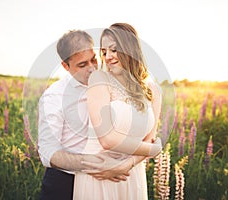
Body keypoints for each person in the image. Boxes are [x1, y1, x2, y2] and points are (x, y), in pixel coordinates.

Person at [38, 29, 150, 200]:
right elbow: (48, 151)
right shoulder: (54, 97)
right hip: (66, 183)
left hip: (114, 181)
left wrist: (125, 163)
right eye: (82, 65)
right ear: (65, 66)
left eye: (94, 59)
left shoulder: (113, 82)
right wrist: (96, 165)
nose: (91, 69)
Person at [73, 23, 163, 200]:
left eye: (113, 50)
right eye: (104, 52)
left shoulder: (153, 90)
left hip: (131, 174)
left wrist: (127, 164)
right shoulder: (99, 80)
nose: (108, 57)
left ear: (130, 49)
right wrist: (154, 149)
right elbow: (107, 139)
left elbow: (149, 139)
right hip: (99, 173)